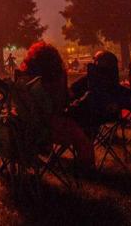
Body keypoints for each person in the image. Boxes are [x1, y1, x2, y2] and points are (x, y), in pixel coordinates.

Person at [19, 41, 95, 170]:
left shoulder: (26, 78)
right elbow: (62, 102)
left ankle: (41, 152)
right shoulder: (58, 77)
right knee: (82, 132)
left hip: (26, 126)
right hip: (51, 127)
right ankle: (85, 168)